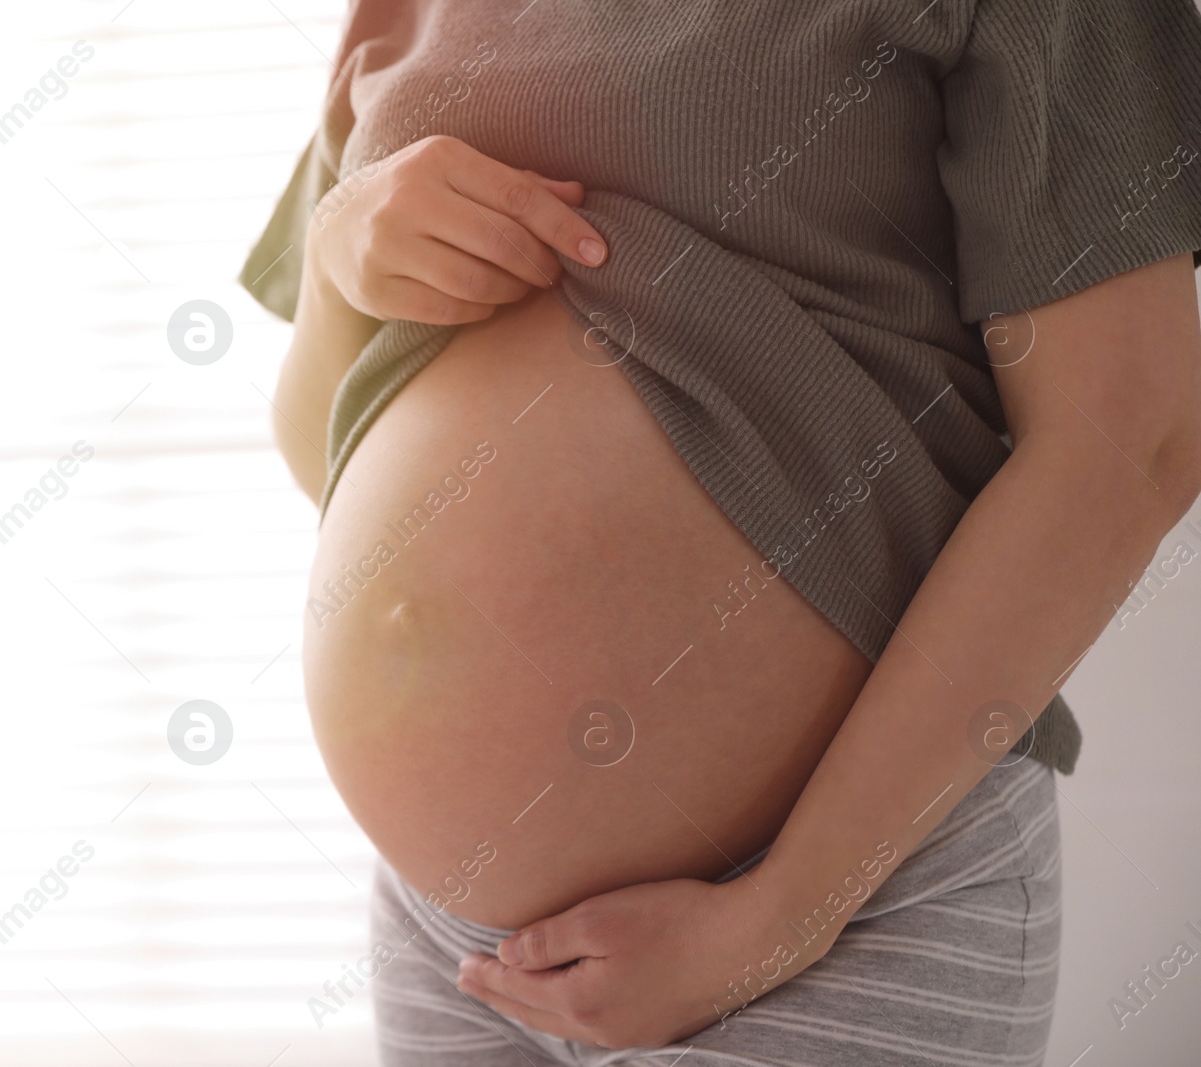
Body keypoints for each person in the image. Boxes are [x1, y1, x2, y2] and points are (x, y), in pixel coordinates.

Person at [240, 1, 1201, 1063]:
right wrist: (337, 262)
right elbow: (320, 452)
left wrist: (783, 913)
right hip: (453, 944)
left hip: (836, 909)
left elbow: (1131, 446)